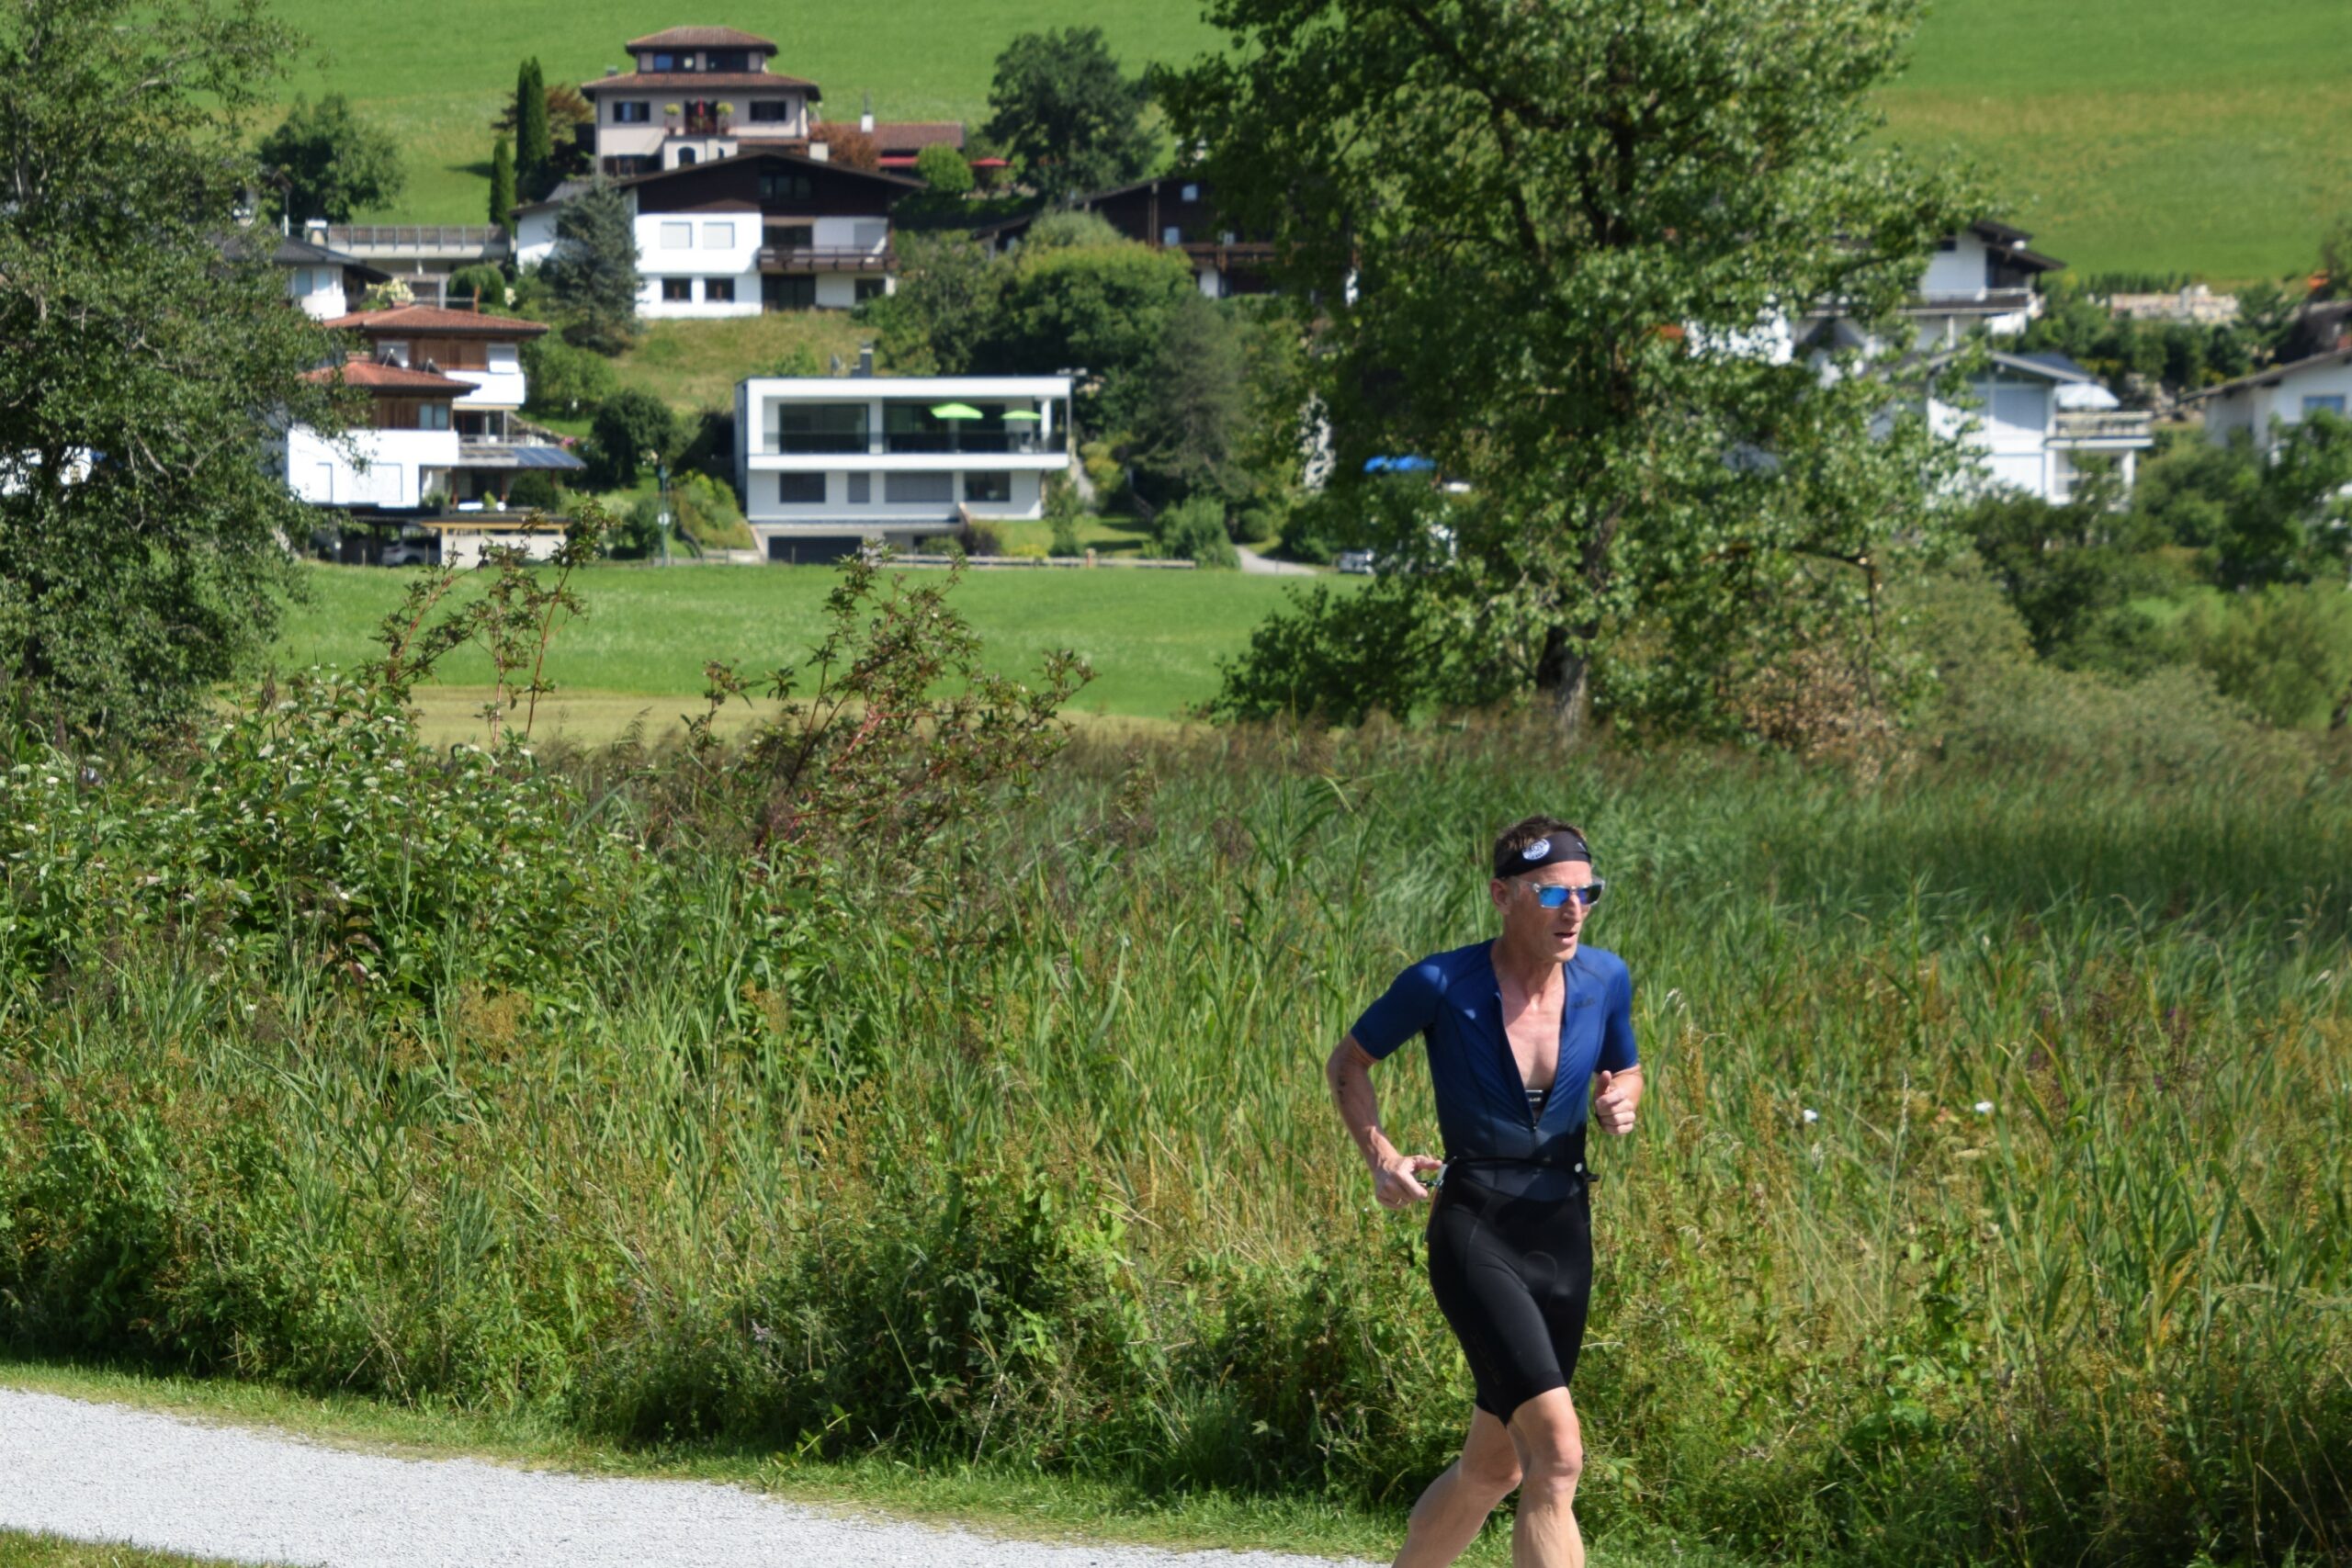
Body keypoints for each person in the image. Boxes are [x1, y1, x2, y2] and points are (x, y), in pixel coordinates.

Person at [1326, 816, 1642, 1568]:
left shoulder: (1606, 978)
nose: (1573, 910)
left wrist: (1623, 1100)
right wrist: (1382, 1155)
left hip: (1565, 1231)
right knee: (1558, 1457)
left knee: (1495, 1466)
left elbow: (1627, 1068)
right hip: (1477, 1227)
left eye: (1586, 893)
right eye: (1550, 893)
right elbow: (1349, 1063)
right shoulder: (1442, 982)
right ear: (1502, 895)